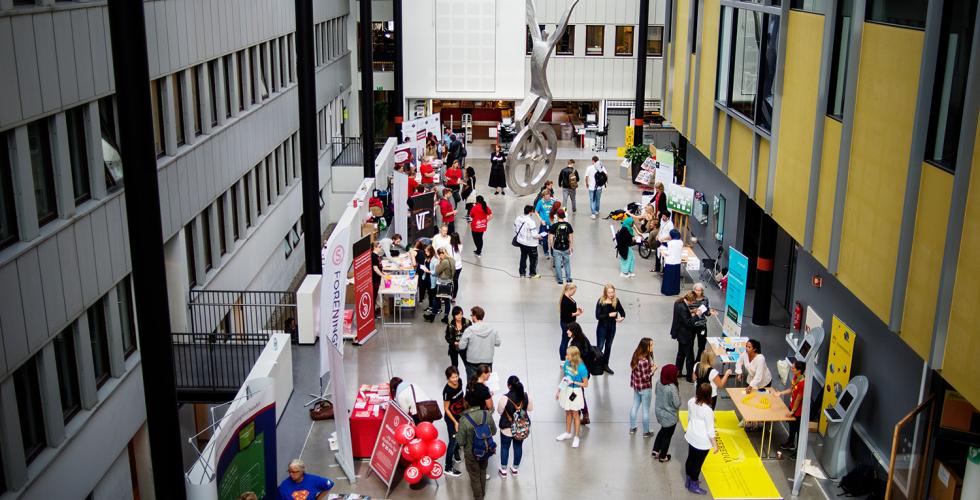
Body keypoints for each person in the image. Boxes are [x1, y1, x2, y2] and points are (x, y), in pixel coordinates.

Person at [457, 384, 497, 500]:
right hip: (485, 449)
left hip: (471, 454)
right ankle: (482, 493)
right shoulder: (486, 414)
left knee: (474, 476)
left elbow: (461, 441)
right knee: (483, 471)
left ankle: (479, 497)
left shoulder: (464, 420)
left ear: (467, 403)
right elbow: (494, 431)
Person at [684, 383, 718, 495]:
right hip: (702, 441)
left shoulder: (691, 401)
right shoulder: (708, 411)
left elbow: (689, 417)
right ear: (709, 395)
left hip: (691, 435)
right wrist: (715, 445)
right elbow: (710, 430)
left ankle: (688, 480)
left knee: (690, 458)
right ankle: (694, 484)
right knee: (697, 463)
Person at [497, 375, 533, 477]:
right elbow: (530, 409)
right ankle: (515, 469)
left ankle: (503, 471)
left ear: (509, 386)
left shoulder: (505, 398)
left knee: (505, 447)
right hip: (520, 428)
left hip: (507, 428)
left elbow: (499, 411)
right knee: (518, 447)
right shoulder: (526, 396)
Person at [555, 345, 589, 449]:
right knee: (567, 412)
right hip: (566, 390)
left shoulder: (582, 368)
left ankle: (576, 437)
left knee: (575, 414)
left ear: (574, 356)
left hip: (575, 391)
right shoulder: (566, 363)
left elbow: (585, 384)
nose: (566, 356)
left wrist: (573, 382)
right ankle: (568, 432)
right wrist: (559, 390)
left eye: (568, 355)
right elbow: (565, 378)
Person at [458, 306, 501, 379]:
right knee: (486, 383)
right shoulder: (492, 329)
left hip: (472, 362)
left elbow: (461, 346)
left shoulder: (469, 330)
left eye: (471, 315)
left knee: (472, 384)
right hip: (487, 362)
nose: (471, 317)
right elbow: (498, 343)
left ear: (475, 316)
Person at [774, 360, 806, 453]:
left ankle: (798, 452)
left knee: (798, 431)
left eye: (793, 368)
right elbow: (791, 389)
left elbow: (798, 399)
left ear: (799, 370)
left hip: (798, 412)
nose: (792, 369)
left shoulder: (802, 383)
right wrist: (780, 393)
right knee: (792, 427)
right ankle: (790, 443)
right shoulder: (796, 377)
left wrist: (792, 411)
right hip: (792, 406)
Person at [651, 364, 681, 462]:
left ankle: (655, 450)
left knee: (663, 430)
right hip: (670, 416)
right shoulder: (672, 388)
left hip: (659, 412)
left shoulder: (659, 382)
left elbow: (656, 393)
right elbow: (677, 404)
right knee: (667, 437)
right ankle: (663, 456)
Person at [629, 337, 658, 437]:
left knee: (635, 405)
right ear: (646, 347)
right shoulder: (644, 361)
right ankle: (646, 432)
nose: (653, 347)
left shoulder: (636, 355)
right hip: (645, 388)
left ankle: (632, 427)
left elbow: (639, 371)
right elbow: (646, 377)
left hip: (637, 386)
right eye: (651, 345)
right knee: (645, 410)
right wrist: (653, 370)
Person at [595, 283, 626, 375]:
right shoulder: (601, 301)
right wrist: (609, 315)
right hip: (602, 328)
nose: (611, 294)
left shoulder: (616, 301)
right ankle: (597, 365)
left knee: (608, 346)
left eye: (612, 292)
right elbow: (597, 316)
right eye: (609, 292)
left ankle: (605, 365)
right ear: (605, 292)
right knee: (600, 347)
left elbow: (622, 312)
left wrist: (622, 318)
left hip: (612, 328)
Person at [671, 292, 701, 382]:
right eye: (693, 301)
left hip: (679, 334)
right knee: (690, 357)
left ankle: (677, 372)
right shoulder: (683, 307)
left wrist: (691, 311)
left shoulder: (678, 303)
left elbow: (682, 316)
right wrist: (697, 315)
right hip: (686, 335)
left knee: (680, 354)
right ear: (690, 300)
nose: (694, 303)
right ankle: (689, 377)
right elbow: (688, 323)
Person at [442, 366, 466, 476]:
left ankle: (456, 454)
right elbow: (446, 409)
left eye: (456, 376)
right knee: (452, 441)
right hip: (451, 419)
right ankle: (448, 467)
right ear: (448, 378)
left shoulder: (459, 381)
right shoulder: (447, 391)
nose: (455, 379)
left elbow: (462, 397)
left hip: (460, 415)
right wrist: (455, 422)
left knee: (458, 437)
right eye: (452, 377)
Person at [423, 248, 454, 323]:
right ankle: (445, 317)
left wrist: (439, 262)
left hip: (442, 283)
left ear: (442, 254)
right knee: (447, 301)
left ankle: (432, 316)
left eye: (439, 255)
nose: (439, 256)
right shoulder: (452, 260)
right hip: (449, 282)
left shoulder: (444, 261)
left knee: (436, 299)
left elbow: (436, 271)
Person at [514, 205, 542, 278]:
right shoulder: (531, 222)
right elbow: (534, 235)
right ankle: (532, 274)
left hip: (521, 242)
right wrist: (540, 236)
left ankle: (522, 273)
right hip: (531, 244)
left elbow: (515, 228)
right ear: (530, 212)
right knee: (533, 259)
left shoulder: (518, 218)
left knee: (523, 257)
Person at [549, 209, 574, 284]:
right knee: (567, 263)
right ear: (564, 215)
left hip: (557, 247)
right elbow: (570, 237)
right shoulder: (568, 225)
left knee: (558, 264)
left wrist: (552, 246)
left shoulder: (554, 226)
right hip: (566, 247)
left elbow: (551, 237)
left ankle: (560, 280)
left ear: (557, 216)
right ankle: (568, 278)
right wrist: (570, 247)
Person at [558, 283, 583, 360]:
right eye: (573, 291)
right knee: (564, 341)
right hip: (566, 324)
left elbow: (569, 309)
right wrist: (576, 313)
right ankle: (563, 359)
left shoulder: (568, 297)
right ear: (569, 290)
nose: (574, 293)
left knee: (565, 341)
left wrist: (576, 310)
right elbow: (566, 314)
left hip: (569, 323)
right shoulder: (565, 300)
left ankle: (564, 357)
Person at [692, 283, 713, 361]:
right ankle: (690, 361)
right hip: (692, 324)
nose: (697, 292)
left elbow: (707, 313)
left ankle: (698, 361)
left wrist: (710, 312)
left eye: (699, 290)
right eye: (696, 290)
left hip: (702, 325)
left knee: (702, 345)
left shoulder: (705, 299)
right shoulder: (690, 298)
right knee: (690, 344)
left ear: (702, 291)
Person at [660, 229, 683, 295]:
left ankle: (667, 291)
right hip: (677, 262)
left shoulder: (671, 243)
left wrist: (662, 250)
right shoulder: (681, 242)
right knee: (675, 278)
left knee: (668, 278)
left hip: (670, 262)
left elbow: (668, 253)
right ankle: (675, 290)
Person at [535, 189, 556, 259]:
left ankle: (553, 253)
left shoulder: (553, 201)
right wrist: (540, 220)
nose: (547, 197)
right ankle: (546, 252)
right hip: (544, 224)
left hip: (552, 224)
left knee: (553, 239)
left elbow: (558, 209)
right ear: (543, 196)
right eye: (546, 195)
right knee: (544, 239)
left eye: (548, 195)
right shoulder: (540, 202)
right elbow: (536, 212)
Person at [450, 232, 463, 301]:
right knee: (455, 281)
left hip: (452, 266)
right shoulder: (460, 245)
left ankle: (448, 294)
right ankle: (454, 297)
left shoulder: (450, 246)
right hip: (459, 266)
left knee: (449, 281)